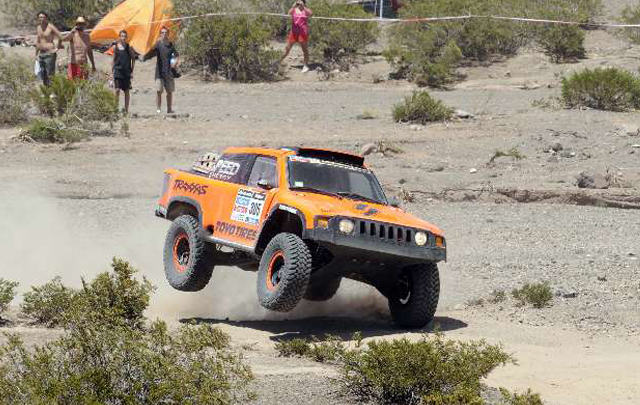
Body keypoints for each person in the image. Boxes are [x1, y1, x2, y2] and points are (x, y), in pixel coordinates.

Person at [143, 26, 179, 114]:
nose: (164, 34)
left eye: (166, 32)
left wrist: (175, 63)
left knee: (169, 92)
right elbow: (150, 52)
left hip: (169, 72)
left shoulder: (171, 45)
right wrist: (152, 44)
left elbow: (176, 55)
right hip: (159, 72)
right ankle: (158, 109)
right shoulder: (158, 44)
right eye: (162, 32)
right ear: (160, 34)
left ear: (168, 34)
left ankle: (169, 109)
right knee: (159, 91)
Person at [279, 0, 313, 73]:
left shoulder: (306, 10)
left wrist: (303, 6)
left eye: (300, 2)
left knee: (304, 50)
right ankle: (278, 62)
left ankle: (306, 65)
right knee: (287, 49)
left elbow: (310, 14)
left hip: (303, 32)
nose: (299, 3)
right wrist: (293, 6)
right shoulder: (294, 9)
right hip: (293, 32)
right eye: (298, 2)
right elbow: (289, 13)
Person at [111, 30, 136, 114]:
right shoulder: (115, 47)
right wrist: (112, 72)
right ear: (119, 37)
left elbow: (133, 58)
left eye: (125, 36)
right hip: (118, 71)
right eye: (122, 36)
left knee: (126, 91)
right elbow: (113, 60)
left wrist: (132, 70)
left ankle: (126, 110)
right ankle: (115, 109)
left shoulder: (129, 47)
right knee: (117, 90)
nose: (123, 38)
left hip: (126, 72)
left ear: (126, 37)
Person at [35, 11, 64, 86]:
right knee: (43, 74)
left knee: (50, 75)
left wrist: (57, 47)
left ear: (46, 18)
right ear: (38, 18)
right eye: (40, 17)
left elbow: (60, 36)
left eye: (43, 17)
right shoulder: (38, 27)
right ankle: (46, 92)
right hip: (41, 54)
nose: (42, 18)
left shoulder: (50, 26)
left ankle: (53, 92)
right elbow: (38, 41)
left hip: (50, 54)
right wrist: (36, 54)